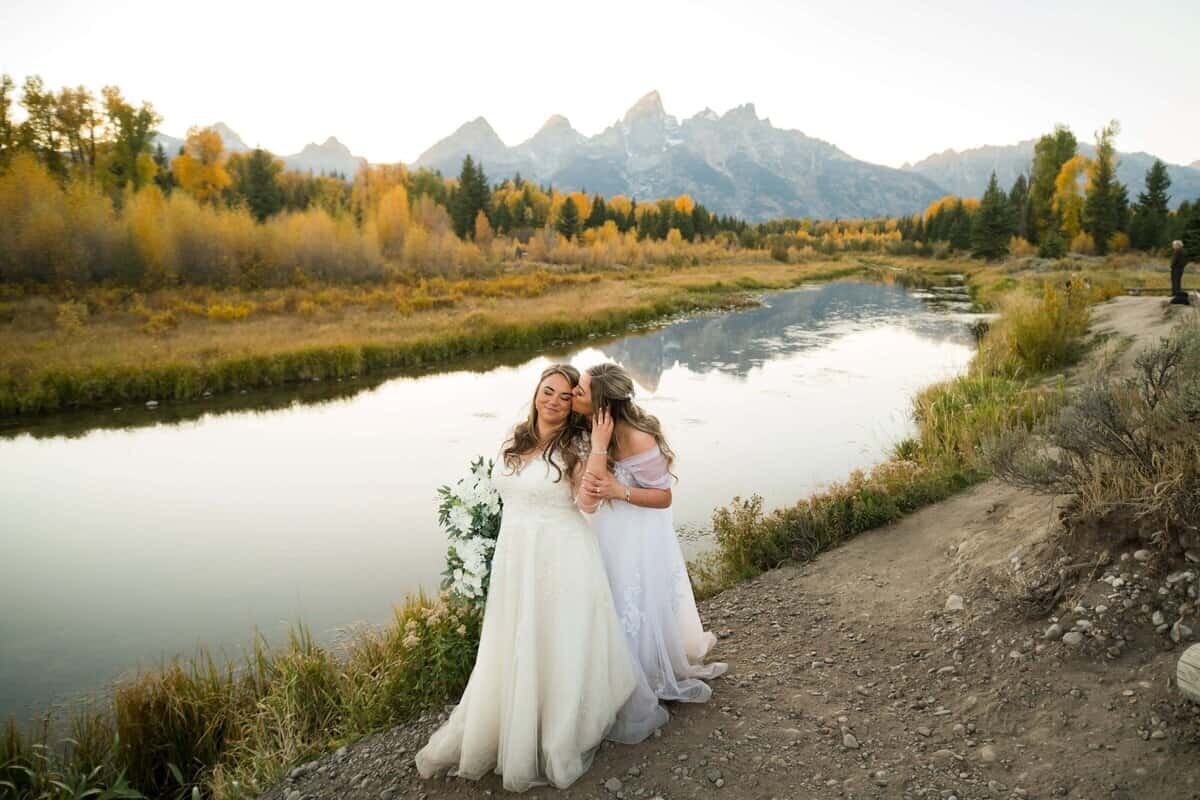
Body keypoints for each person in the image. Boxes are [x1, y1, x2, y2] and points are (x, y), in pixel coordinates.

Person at [415, 364, 666, 793]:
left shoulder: (578, 445)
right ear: (537, 393)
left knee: (558, 642)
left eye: (566, 397)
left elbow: (588, 505)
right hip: (517, 558)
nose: (553, 401)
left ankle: (558, 728)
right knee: (514, 642)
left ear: (573, 407)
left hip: (563, 557)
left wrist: (601, 444)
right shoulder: (516, 438)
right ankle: (514, 719)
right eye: (548, 391)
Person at [574, 362, 728, 703]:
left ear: (601, 404)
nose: (573, 393)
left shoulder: (638, 438)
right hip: (602, 530)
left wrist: (619, 491)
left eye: (580, 391)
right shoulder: (588, 429)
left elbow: (663, 497)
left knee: (633, 599)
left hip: (636, 536)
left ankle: (641, 675)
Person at [1170, 240, 1189, 305]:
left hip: (1177, 268)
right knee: (1174, 280)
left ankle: (1176, 294)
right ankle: (1174, 293)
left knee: (1176, 281)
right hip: (1176, 268)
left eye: (1174, 245)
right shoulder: (1178, 251)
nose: (1173, 246)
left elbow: (1183, 260)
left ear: (1178, 245)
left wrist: (1177, 265)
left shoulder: (1180, 251)